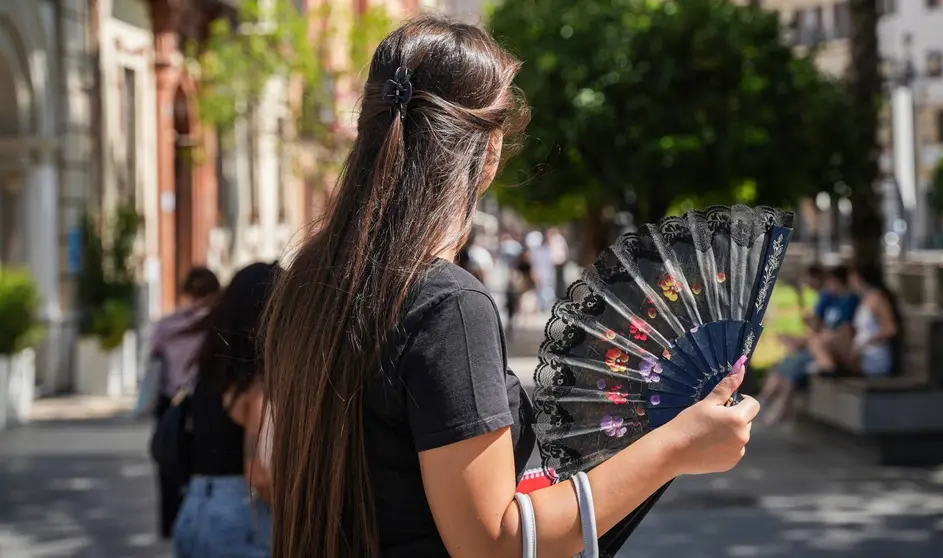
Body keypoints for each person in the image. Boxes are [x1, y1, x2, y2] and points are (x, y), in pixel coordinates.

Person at [262, 16, 758, 558]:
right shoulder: (448, 305)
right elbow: (491, 543)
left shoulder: (308, 278)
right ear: (490, 149)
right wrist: (675, 447)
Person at [172, 262, 278, 558]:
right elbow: (260, 476)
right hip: (238, 520)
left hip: (192, 511)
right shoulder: (257, 390)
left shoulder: (206, 378)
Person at [147, 267, 220, 539]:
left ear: (186, 291)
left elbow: (154, 356)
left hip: (169, 403)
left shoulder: (167, 325)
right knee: (201, 464)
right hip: (203, 402)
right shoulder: (217, 323)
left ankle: (170, 524)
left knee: (168, 460)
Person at [760, 265, 858, 425]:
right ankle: (764, 404)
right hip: (819, 349)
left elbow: (841, 332)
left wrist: (812, 335)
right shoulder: (831, 299)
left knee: (792, 366)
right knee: (783, 365)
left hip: (829, 353)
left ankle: (780, 410)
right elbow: (817, 327)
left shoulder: (847, 301)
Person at [808, 265, 901, 378]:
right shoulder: (863, 299)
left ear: (860, 278)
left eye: (852, 278)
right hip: (859, 352)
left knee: (820, 342)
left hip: (872, 354)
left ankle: (829, 369)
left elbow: (890, 329)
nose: (850, 281)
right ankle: (828, 367)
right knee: (818, 340)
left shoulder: (876, 298)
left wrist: (866, 342)